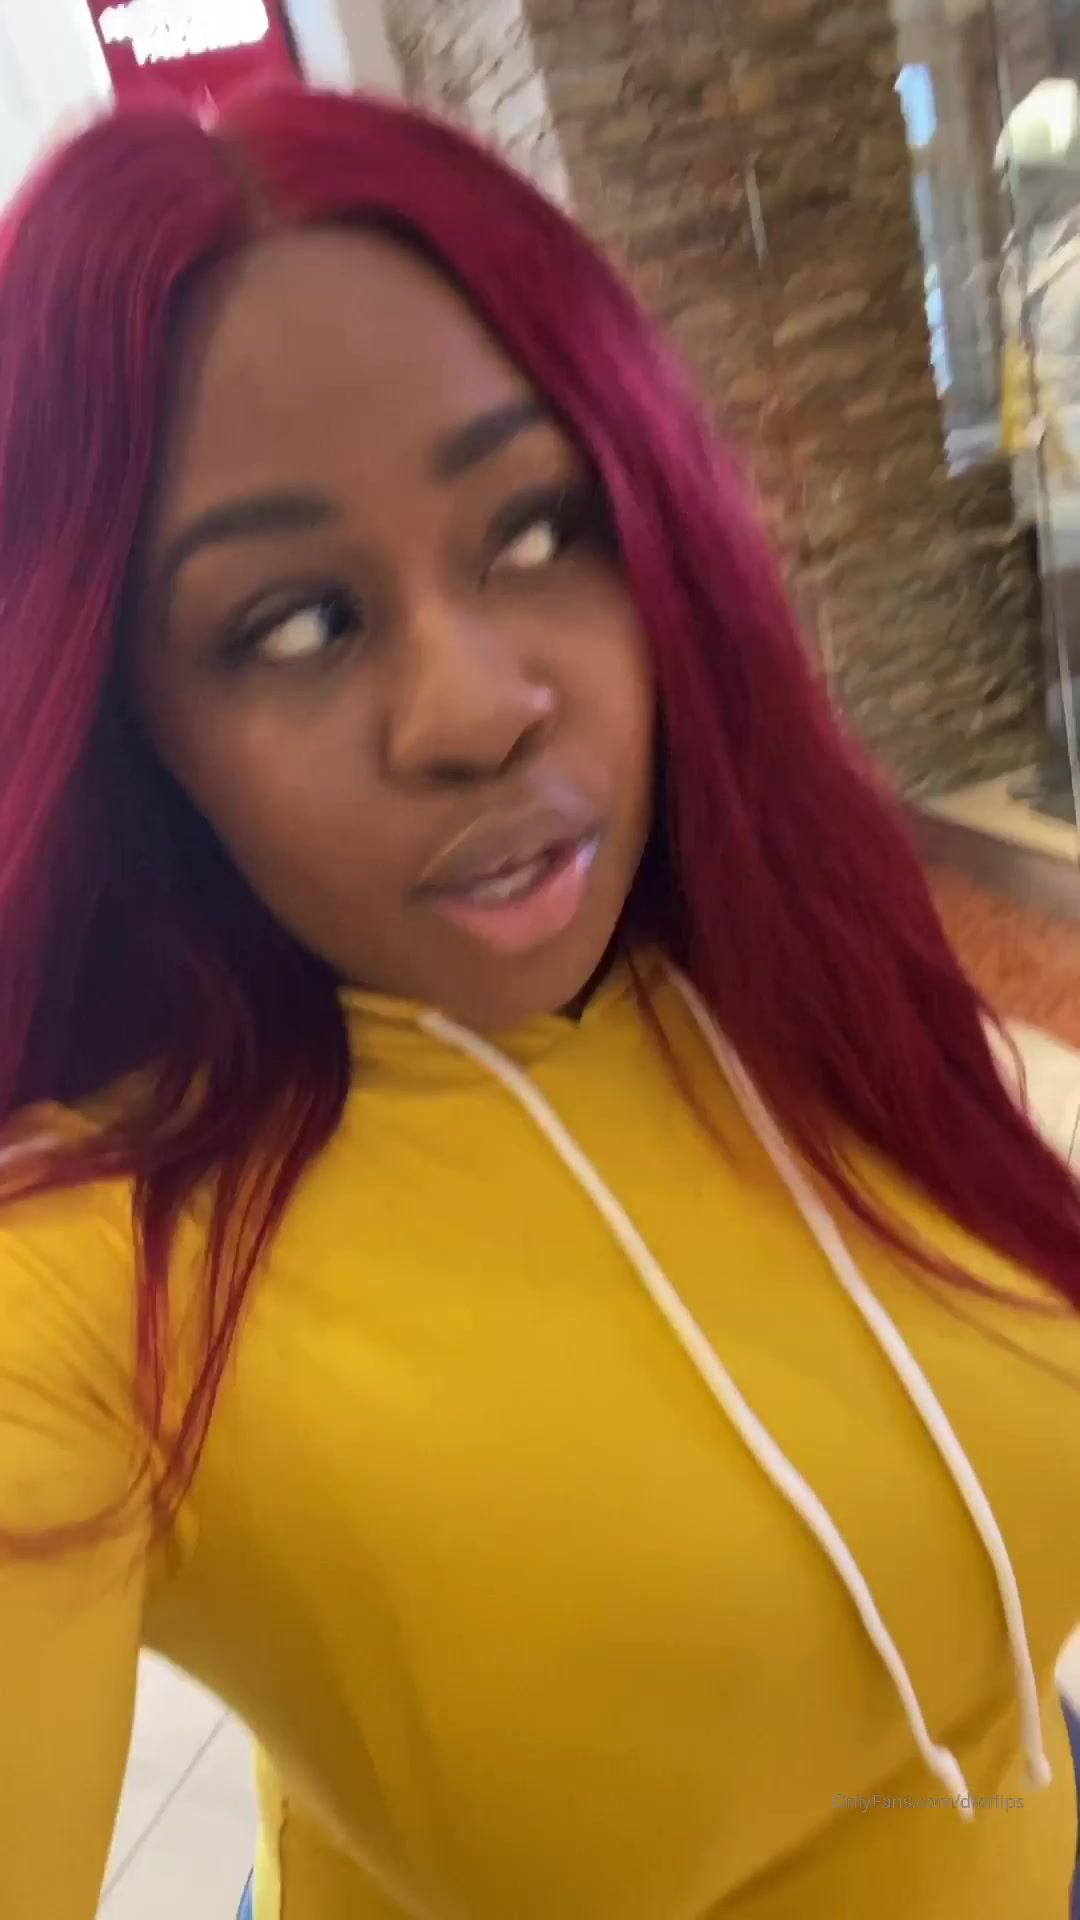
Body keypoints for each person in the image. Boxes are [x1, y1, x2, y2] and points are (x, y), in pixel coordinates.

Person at [1, 82, 1080, 1920]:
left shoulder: (779, 960)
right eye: (294, 624)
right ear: (129, 723)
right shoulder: (98, 1278)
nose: (477, 708)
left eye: (534, 528)